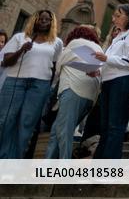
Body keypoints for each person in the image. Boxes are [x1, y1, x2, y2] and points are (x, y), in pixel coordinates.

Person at [0, 10, 63, 159]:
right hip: (15, 81)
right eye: (41, 19)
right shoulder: (19, 37)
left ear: (52, 23)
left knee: (26, 124)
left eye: (47, 20)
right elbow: (6, 62)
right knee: (6, 120)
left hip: (40, 86)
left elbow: (54, 66)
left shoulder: (57, 42)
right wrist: (21, 50)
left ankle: (14, 163)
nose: (43, 22)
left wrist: (48, 88)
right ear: (34, 20)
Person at [93, 4, 129, 159]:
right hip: (109, 82)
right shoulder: (119, 36)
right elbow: (111, 61)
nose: (113, 18)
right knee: (105, 126)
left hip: (122, 82)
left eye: (118, 15)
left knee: (115, 126)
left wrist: (106, 58)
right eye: (114, 15)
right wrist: (99, 70)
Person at [44, 26, 101, 158]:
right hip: (90, 97)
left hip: (73, 90)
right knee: (56, 131)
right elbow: (98, 71)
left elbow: (58, 67)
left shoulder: (75, 43)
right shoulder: (98, 48)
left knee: (64, 132)